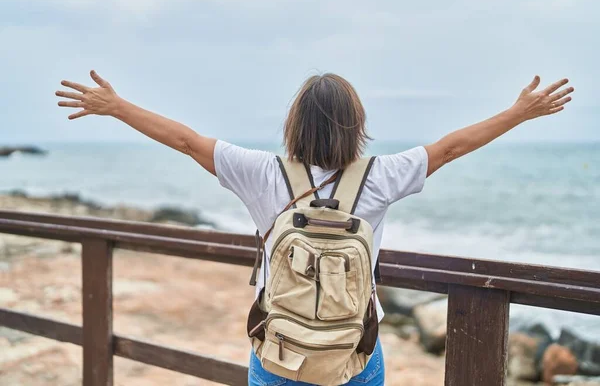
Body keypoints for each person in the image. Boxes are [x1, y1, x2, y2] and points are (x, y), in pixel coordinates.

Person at [56, 71, 573, 385]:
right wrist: (518, 113)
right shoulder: (381, 175)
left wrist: (116, 107)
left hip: (279, 352)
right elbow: (451, 147)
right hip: (355, 353)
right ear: (358, 125)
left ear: (293, 126)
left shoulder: (261, 172)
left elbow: (188, 141)